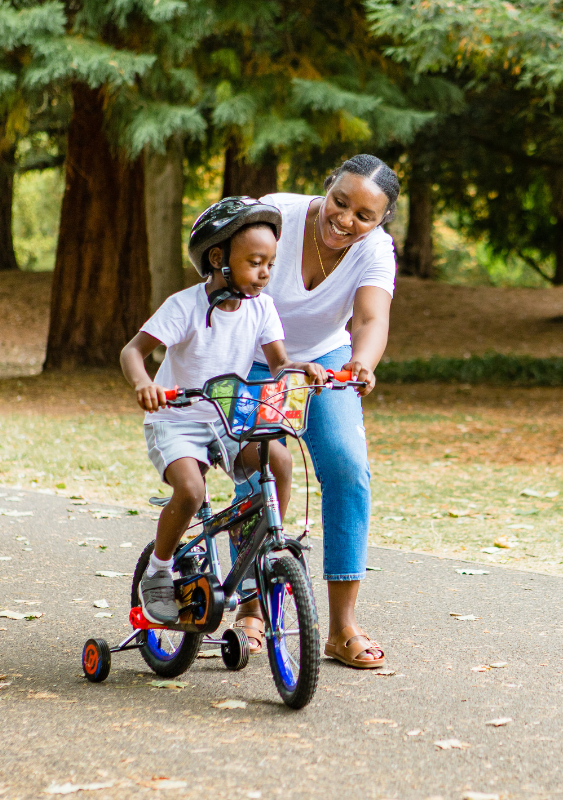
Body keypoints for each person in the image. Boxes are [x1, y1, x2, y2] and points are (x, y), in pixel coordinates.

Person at [120, 197, 327, 625]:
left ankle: (267, 544)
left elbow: (277, 362)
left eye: (270, 263)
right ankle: (158, 570)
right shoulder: (185, 306)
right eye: (255, 262)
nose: (265, 273)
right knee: (192, 492)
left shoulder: (262, 307)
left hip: (228, 420)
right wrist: (145, 385)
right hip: (177, 419)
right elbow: (133, 351)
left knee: (281, 461)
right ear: (219, 259)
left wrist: (301, 367)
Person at [232, 154, 400, 668]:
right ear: (326, 189)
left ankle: (342, 627)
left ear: (380, 222)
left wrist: (362, 363)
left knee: (348, 467)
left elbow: (371, 317)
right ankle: (253, 611)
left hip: (323, 360)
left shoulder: (375, 252)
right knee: (260, 466)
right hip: (250, 353)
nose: (345, 219)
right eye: (340, 202)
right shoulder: (273, 217)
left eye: (364, 216)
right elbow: (222, 275)